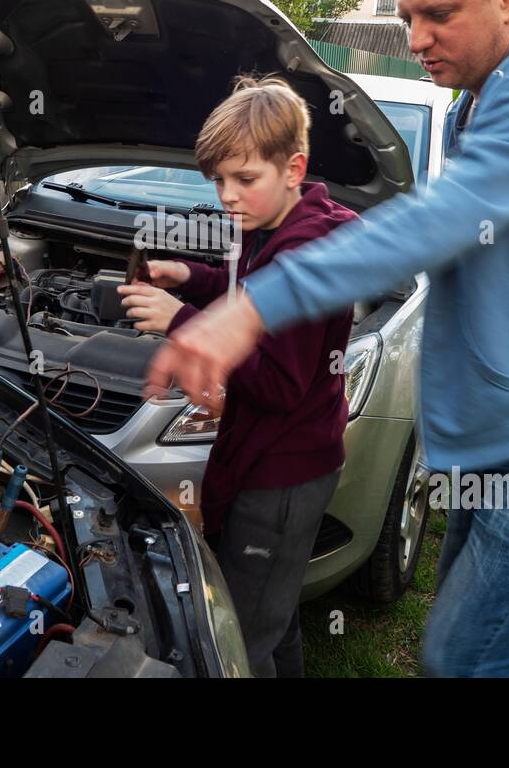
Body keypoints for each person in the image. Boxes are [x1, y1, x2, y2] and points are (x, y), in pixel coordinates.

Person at [144, 0, 509, 677]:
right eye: (406, 18)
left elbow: (446, 216)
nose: (418, 36)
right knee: (483, 650)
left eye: (440, 14)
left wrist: (252, 307)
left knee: (465, 657)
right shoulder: (476, 98)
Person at [118, 75, 357, 677]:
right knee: (272, 616)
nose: (227, 196)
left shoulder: (306, 253)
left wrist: (182, 322)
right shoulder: (274, 226)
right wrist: (191, 277)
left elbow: (279, 385)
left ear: (293, 167)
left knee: (238, 644)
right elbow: (243, 290)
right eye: (218, 180)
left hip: (280, 476)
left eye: (244, 179)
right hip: (278, 461)